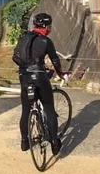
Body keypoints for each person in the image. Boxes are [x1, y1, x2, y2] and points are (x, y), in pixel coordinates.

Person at [12, 13, 64, 155]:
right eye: (50, 26)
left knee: (25, 110)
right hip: (39, 76)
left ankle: (24, 142)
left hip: (24, 77)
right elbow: (55, 61)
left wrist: (25, 67)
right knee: (49, 109)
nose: (50, 29)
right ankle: (54, 143)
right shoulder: (46, 41)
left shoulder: (23, 38)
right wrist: (60, 73)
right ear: (46, 26)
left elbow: (15, 57)